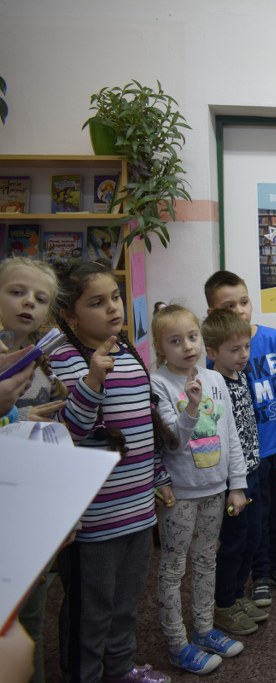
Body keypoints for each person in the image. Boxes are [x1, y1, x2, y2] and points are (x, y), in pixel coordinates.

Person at [50, 261, 174, 683]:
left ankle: (120, 669)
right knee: (91, 609)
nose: (112, 308)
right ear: (70, 315)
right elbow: (68, 432)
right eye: (97, 302)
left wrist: (158, 477)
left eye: (116, 298)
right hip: (93, 519)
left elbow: (145, 425)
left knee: (125, 602)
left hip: (137, 509)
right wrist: (92, 381)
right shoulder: (63, 360)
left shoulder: (129, 352)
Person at [150, 304, 248, 674]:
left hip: (215, 490)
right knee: (174, 567)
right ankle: (177, 643)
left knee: (208, 559)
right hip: (180, 494)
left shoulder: (215, 379)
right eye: (175, 341)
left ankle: (204, 629)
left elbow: (231, 435)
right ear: (160, 348)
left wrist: (237, 484)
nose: (187, 346)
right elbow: (173, 441)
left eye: (192, 337)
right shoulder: (158, 384)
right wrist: (191, 407)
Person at [204, 270, 276, 606]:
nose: (240, 311)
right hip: (245, 458)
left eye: (244, 302)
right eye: (229, 306)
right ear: (213, 314)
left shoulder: (273, 339)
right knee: (255, 517)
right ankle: (260, 573)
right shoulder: (215, 355)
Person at [0, 257, 68, 683]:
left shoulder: (41, 363)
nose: (29, 303)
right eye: (16, 292)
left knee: (32, 624)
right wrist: (16, 416)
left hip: (30, 507)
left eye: (40, 299)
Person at [203, 308, 267, 636]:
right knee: (233, 542)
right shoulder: (213, 386)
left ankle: (238, 595)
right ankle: (224, 604)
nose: (243, 355)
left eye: (246, 347)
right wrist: (234, 484)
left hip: (252, 470)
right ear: (212, 352)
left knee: (252, 538)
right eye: (234, 349)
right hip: (232, 481)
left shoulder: (241, 376)